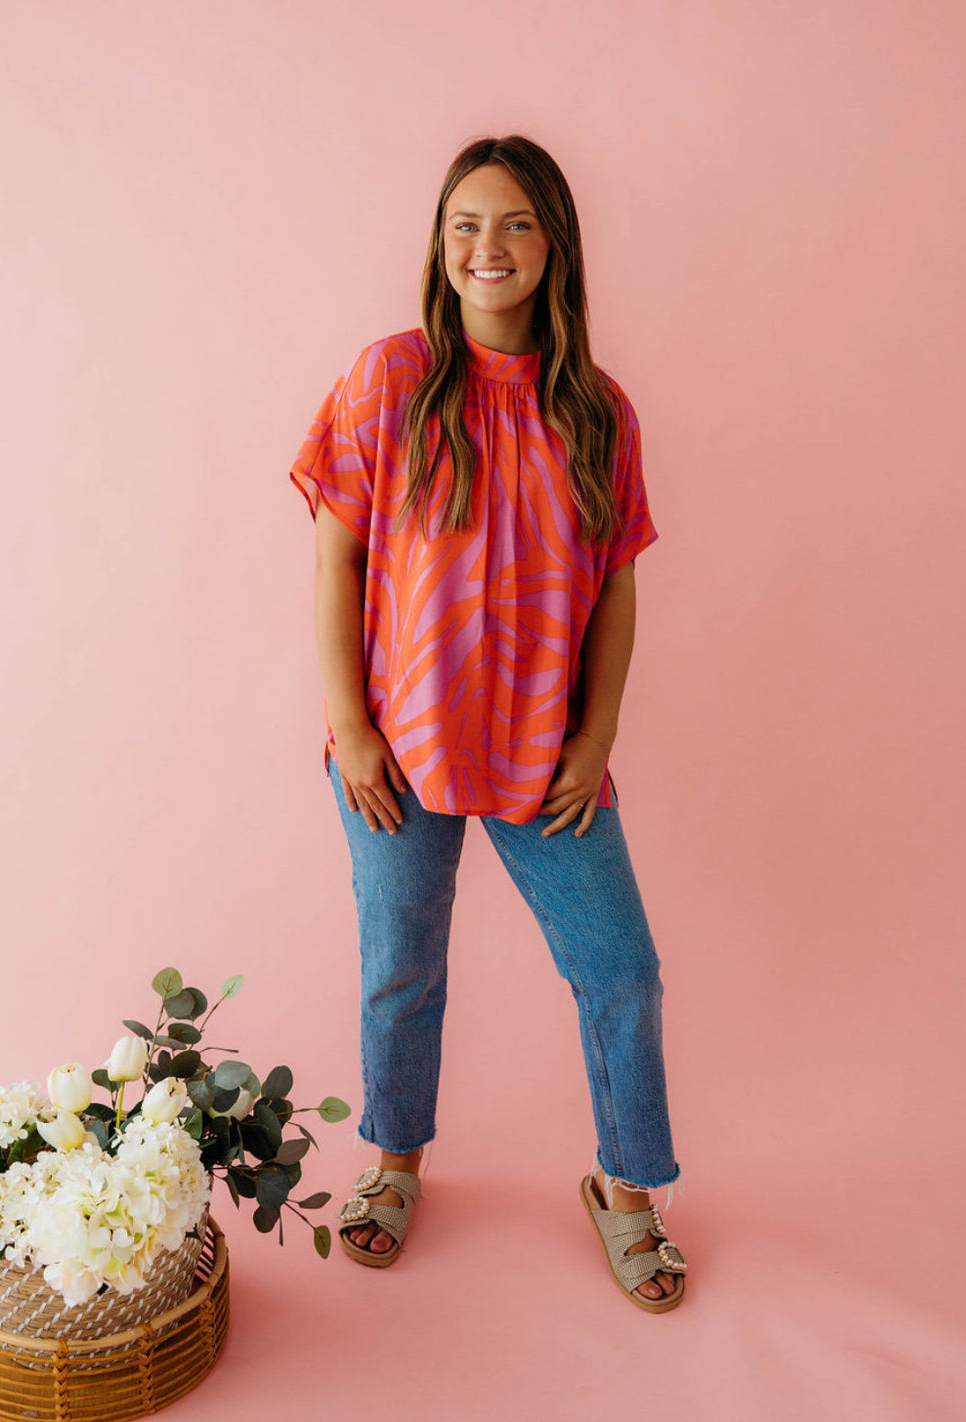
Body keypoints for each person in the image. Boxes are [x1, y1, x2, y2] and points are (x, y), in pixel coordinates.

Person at [289, 134, 688, 1312]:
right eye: (465, 223)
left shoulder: (598, 411)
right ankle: (392, 1167)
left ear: (554, 242)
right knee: (399, 969)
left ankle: (625, 1190)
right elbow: (335, 553)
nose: (486, 247)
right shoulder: (390, 378)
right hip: (397, 751)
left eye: (513, 223)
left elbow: (615, 584)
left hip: (540, 756)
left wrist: (596, 736)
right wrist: (347, 723)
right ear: (439, 244)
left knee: (622, 973)